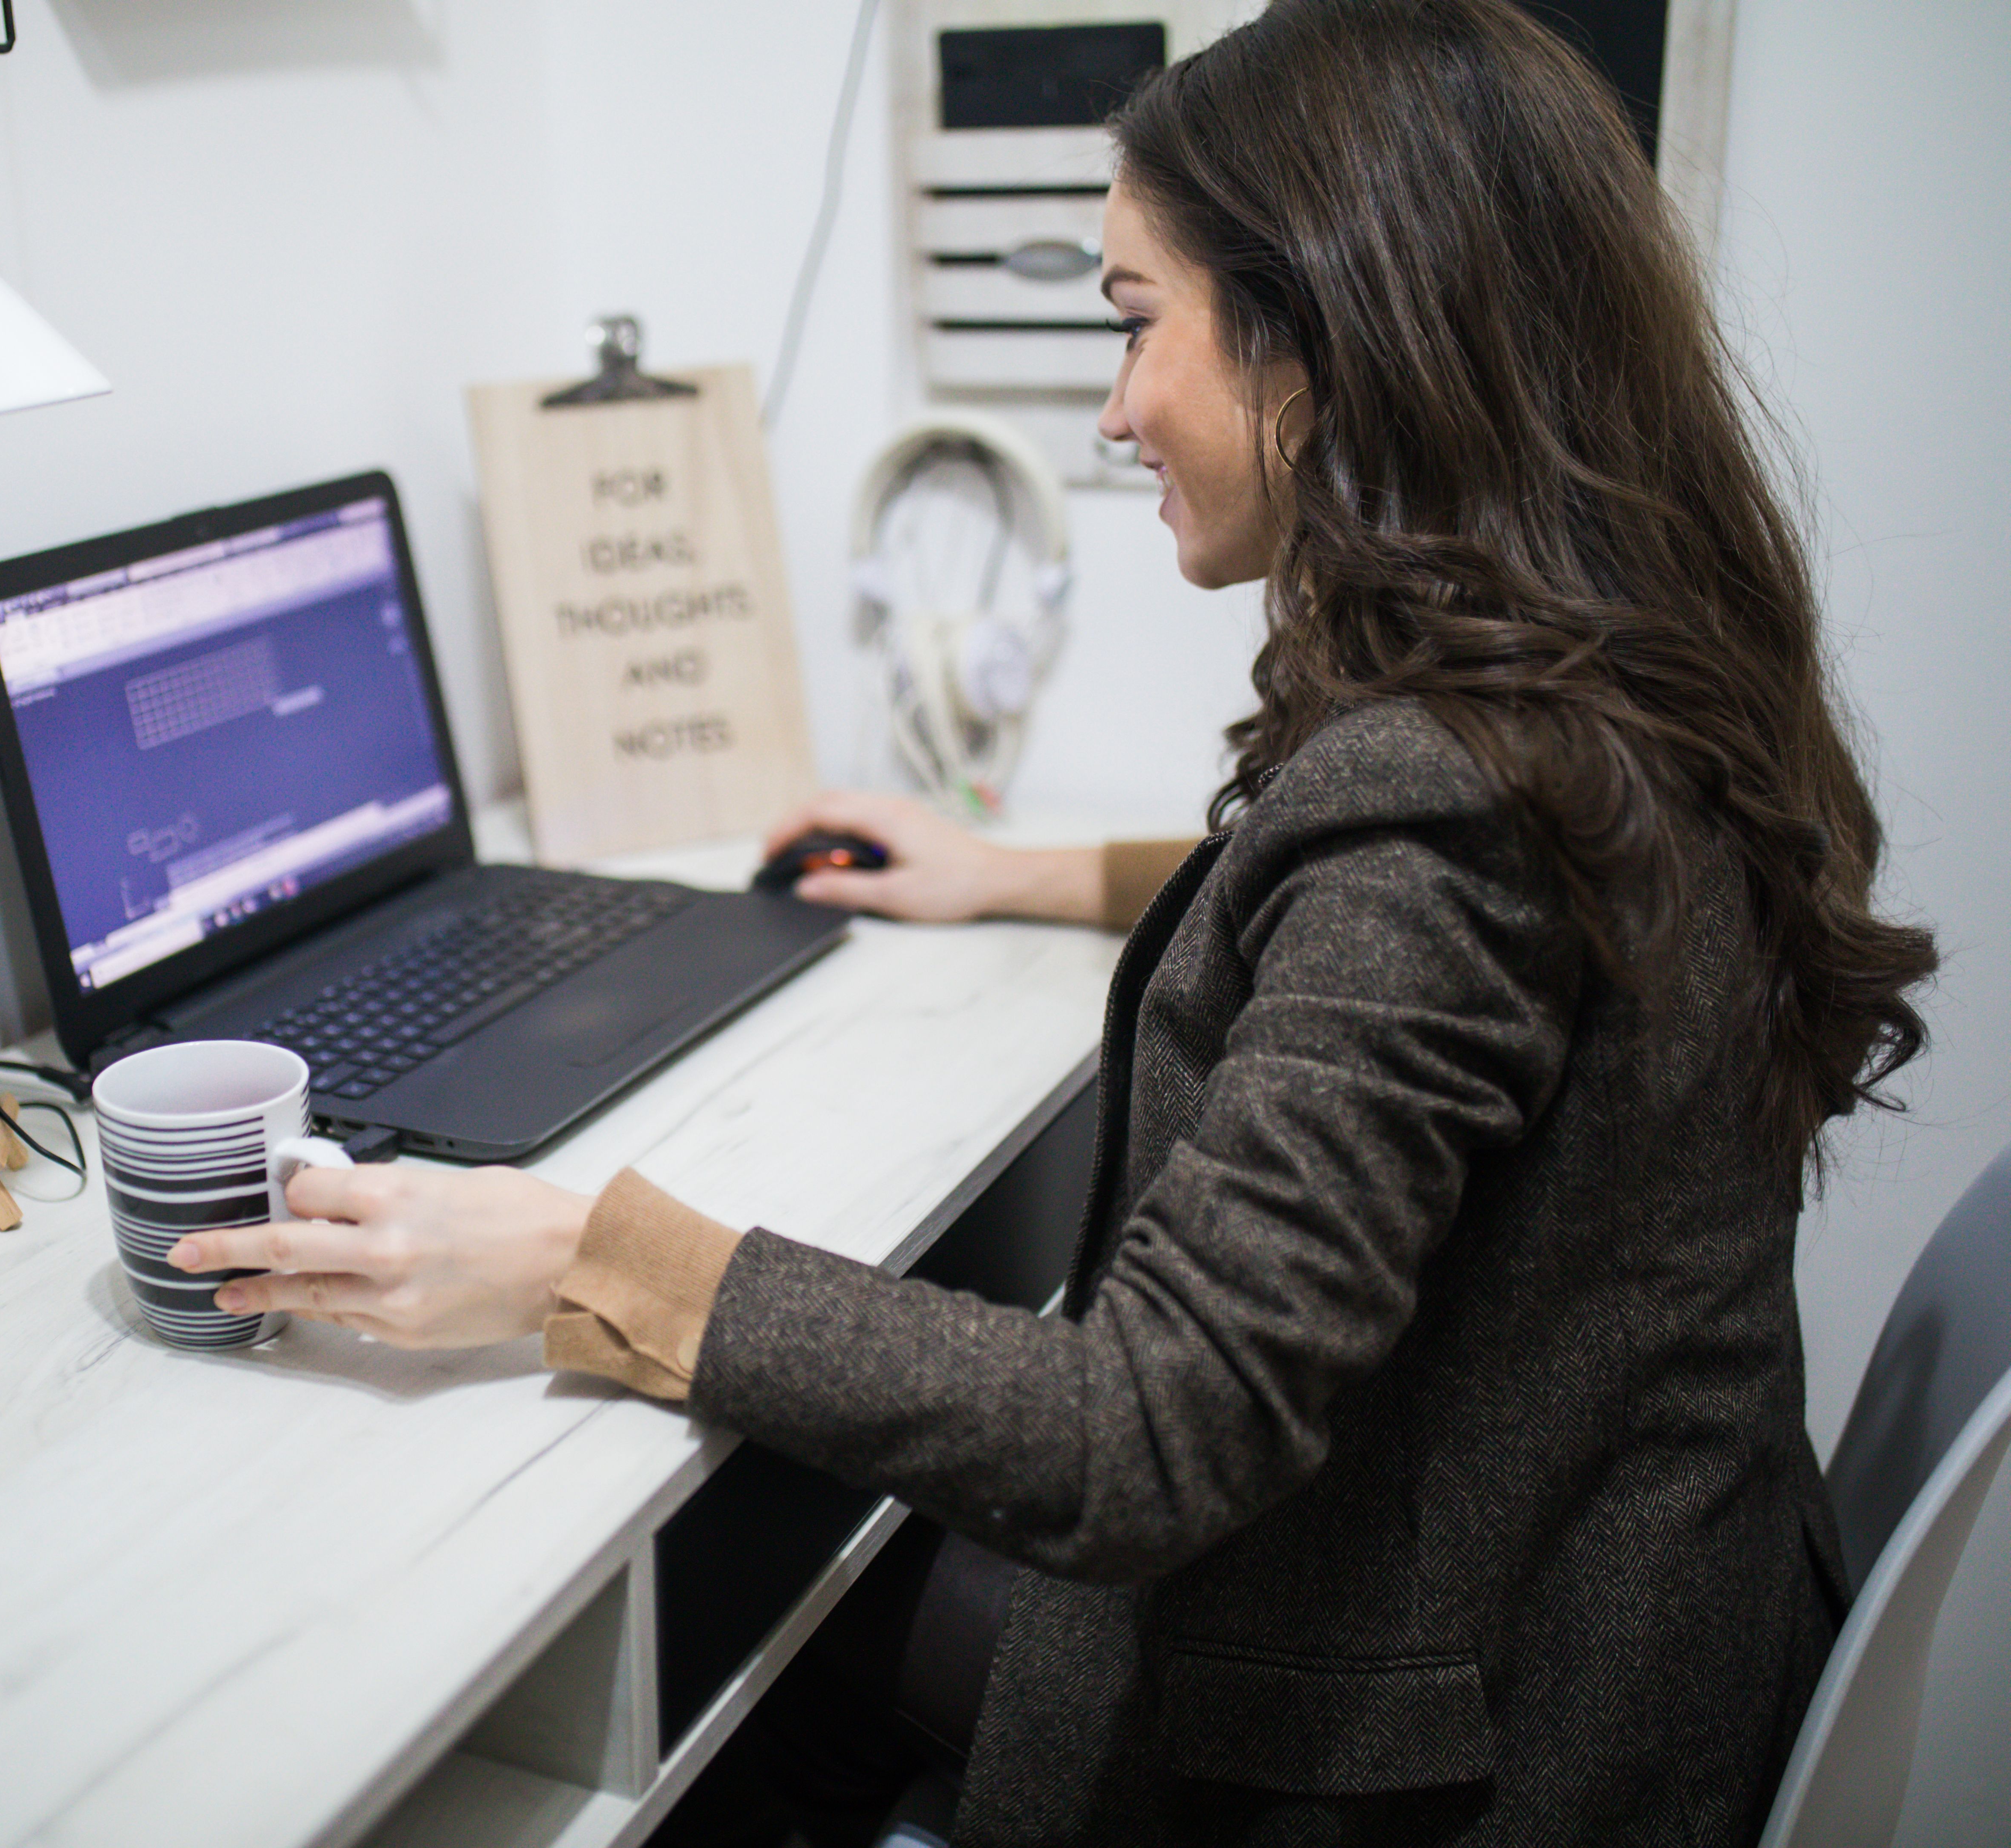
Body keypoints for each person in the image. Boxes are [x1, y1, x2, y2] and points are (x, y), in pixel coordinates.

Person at [166, 1, 1939, 1840]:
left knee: (751, 1654)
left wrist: (579, 1260)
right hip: (1625, 1622)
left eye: (1136, 321)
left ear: (1326, 337)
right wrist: (1011, 871)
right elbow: (1364, 925)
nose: (1111, 407)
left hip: (1468, 1751)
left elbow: (1145, 1432)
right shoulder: (1615, 684)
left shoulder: (1443, 807)